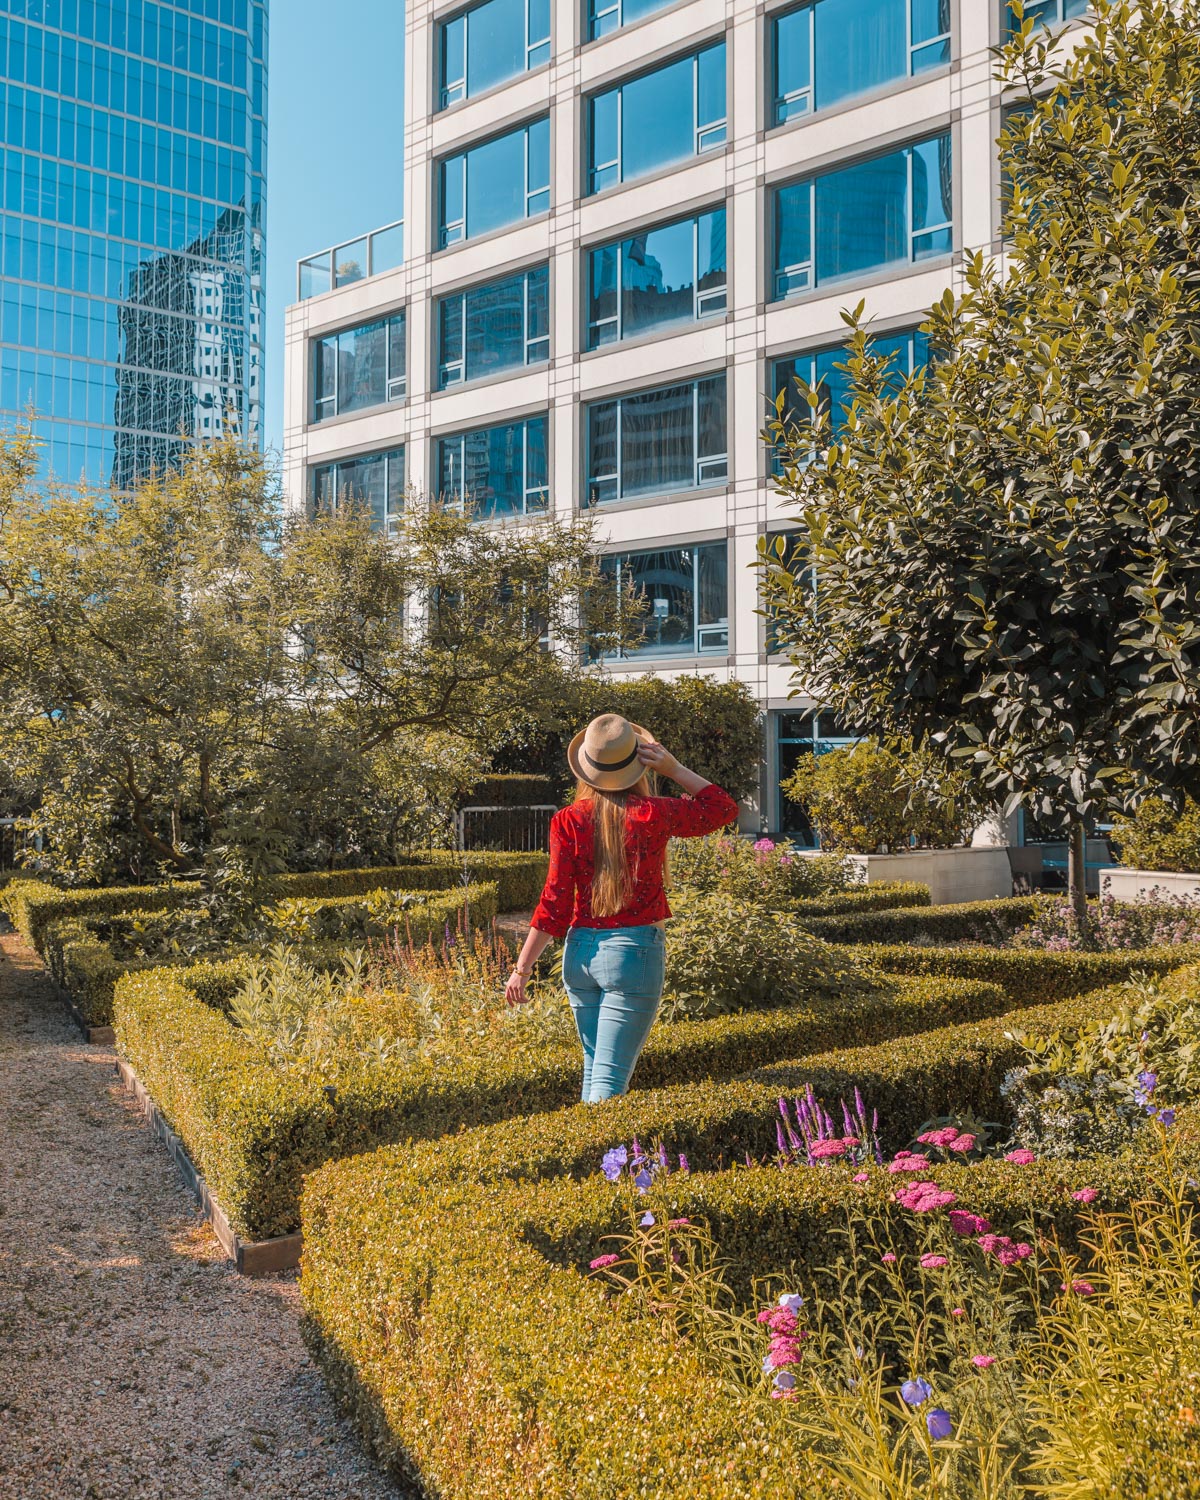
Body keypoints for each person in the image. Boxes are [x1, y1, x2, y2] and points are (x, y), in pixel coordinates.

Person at [505, 713, 738, 1102]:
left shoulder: (568, 820)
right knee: (608, 1084)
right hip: (633, 952)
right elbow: (722, 808)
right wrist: (673, 768)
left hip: (580, 954)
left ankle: (586, 1142)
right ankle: (602, 1145)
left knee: (594, 1072)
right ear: (638, 763)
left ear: (587, 767)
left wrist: (521, 969)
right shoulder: (653, 813)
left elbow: (554, 902)